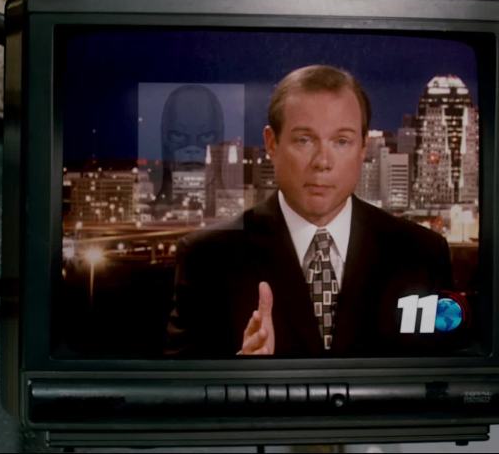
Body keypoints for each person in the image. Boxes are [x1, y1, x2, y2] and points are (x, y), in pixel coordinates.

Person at [164, 65, 453, 358]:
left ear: (363, 147)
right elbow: (180, 383)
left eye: (341, 141)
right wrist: (239, 375)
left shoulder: (421, 254)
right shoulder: (208, 259)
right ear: (272, 143)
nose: (322, 162)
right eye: (304, 140)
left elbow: (442, 373)